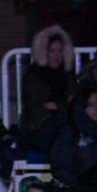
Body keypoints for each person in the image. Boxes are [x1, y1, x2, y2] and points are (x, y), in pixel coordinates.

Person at [50, 89, 97, 186]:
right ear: (81, 107)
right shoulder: (70, 132)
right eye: (90, 104)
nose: (96, 108)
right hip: (79, 191)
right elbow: (60, 167)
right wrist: (82, 186)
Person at [19, 24, 76, 152]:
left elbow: (76, 103)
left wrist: (58, 106)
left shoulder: (68, 76)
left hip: (63, 126)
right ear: (44, 52)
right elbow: (37, 109)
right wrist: (64, 107)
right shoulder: (34, 76)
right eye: (52, 50)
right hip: (38, 128)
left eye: (60, 50)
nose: (56, 55)